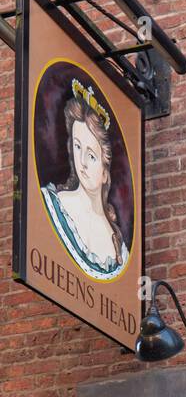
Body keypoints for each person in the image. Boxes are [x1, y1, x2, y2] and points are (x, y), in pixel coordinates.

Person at [40, 80, 129, 281]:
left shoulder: (120, 249)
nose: (82, 163)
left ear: (105, 172)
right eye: (78, 147)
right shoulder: (54, 205)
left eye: (91, 155)